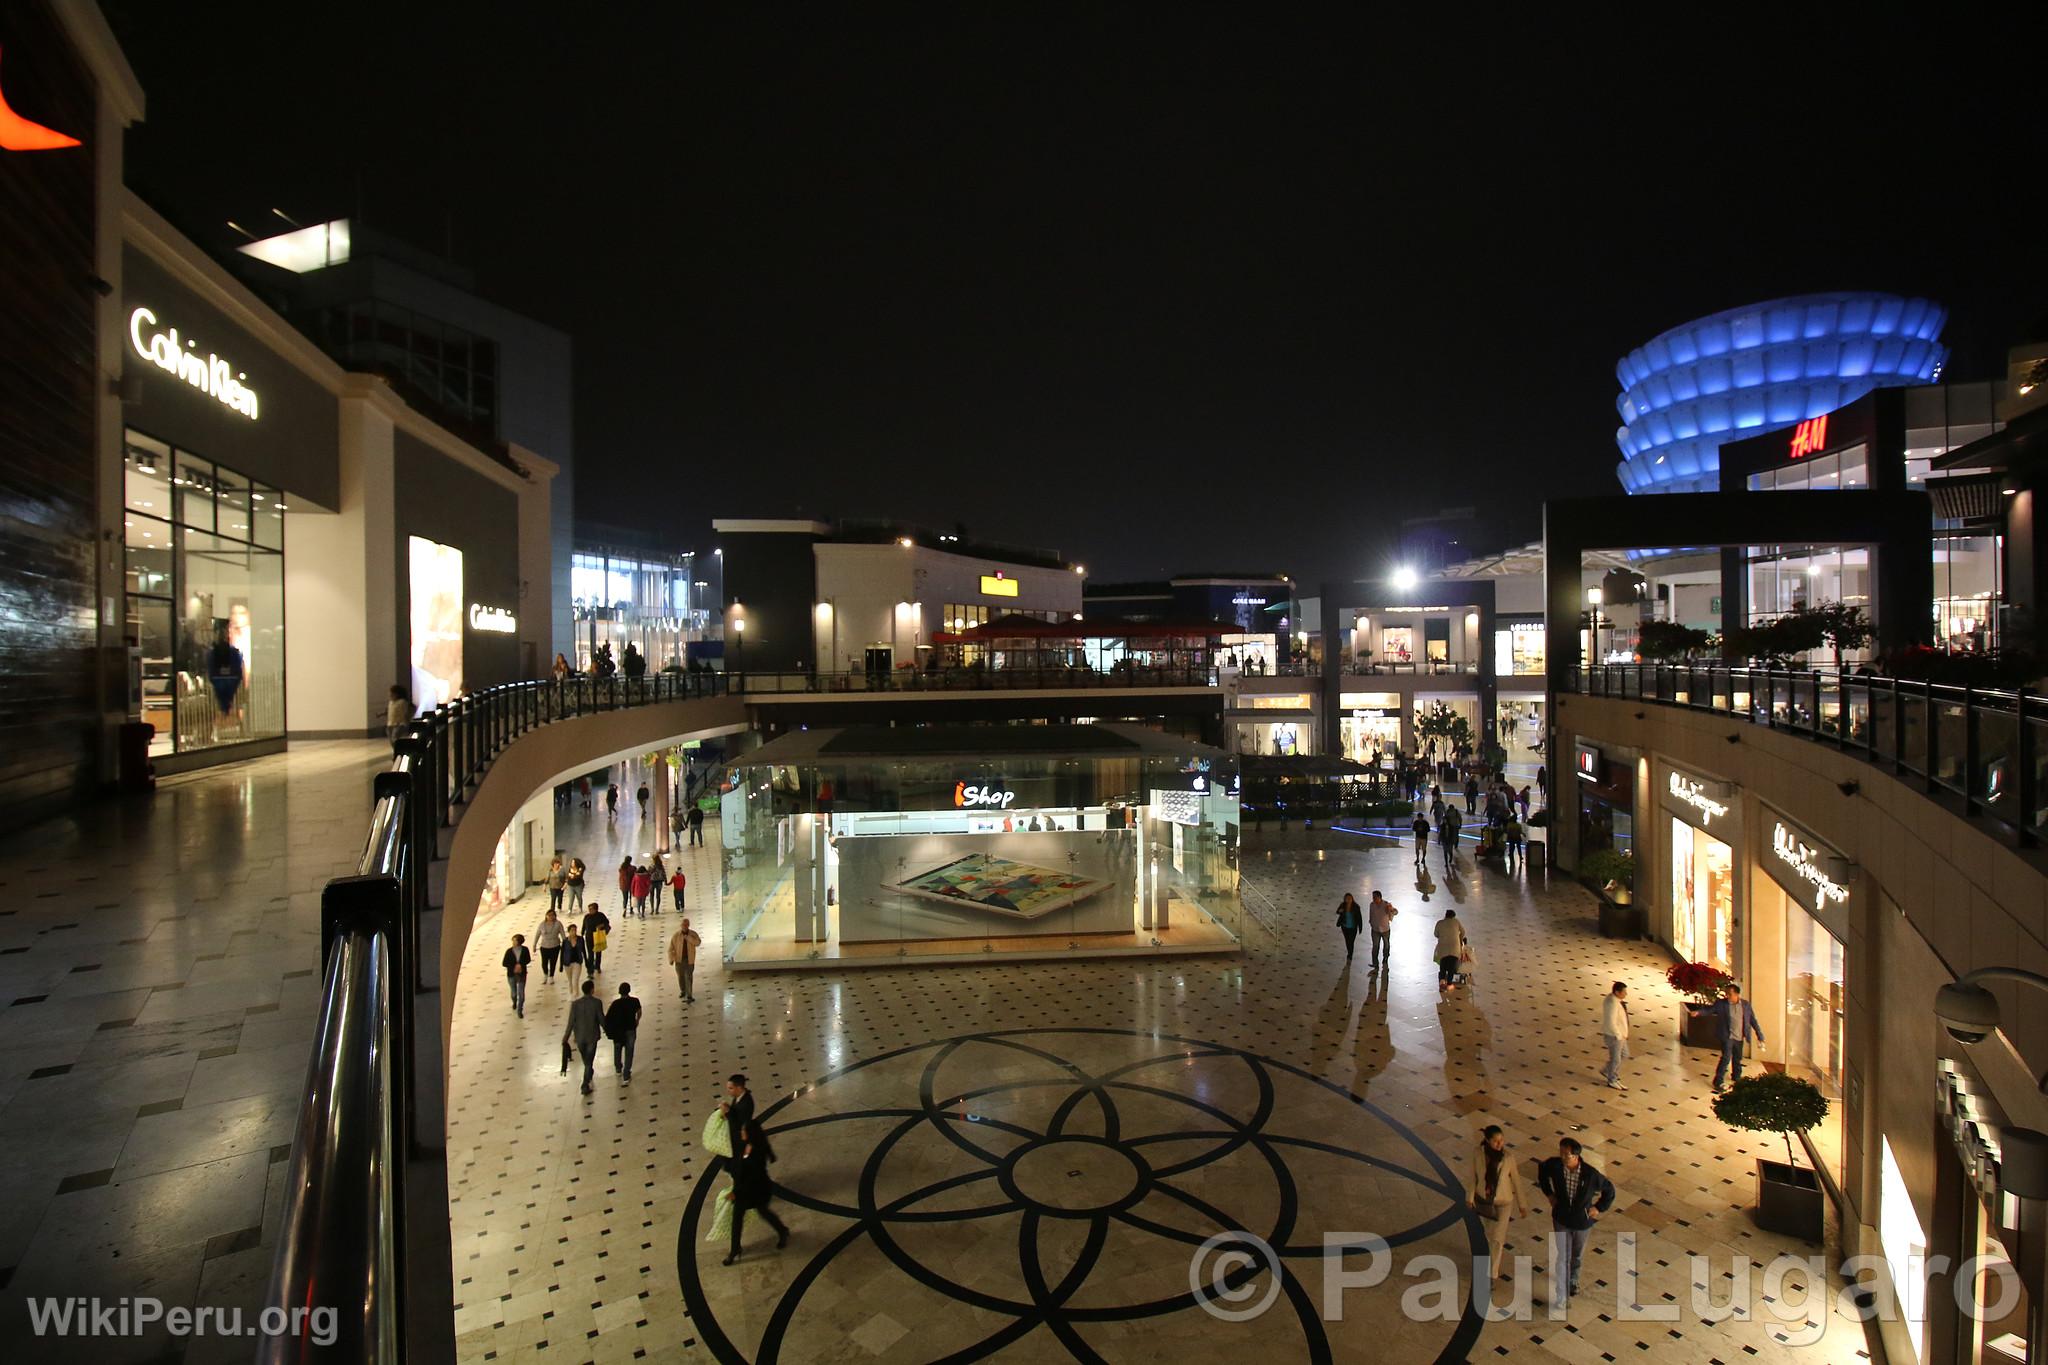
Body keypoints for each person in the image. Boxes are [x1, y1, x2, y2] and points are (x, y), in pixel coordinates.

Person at [1536, 1138, 1615, 1307]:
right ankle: (1562, 1296)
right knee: (1563, 1256)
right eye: (1561, 1153)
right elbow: (1542, 1171)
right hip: (1561, 1219)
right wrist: (1549, 1194)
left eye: (1567, 1155)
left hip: (1582, 1222)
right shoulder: (1555, 1166)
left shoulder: (1590, 1175)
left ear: (1576, 1156)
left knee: (1576, 1254)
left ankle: (1573, 1279)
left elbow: (1609, 1190)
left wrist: (1598, 1208)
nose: (1563, 1157)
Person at [722, 1117, 791, 1265]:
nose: (741, 1132)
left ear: (750, 1134)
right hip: (743, 1189)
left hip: (756, 1190)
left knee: (763, 1212)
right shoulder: (744, 1144)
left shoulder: (757, 1153)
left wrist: (736, 1192)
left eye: (743, 1131)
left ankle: (782, 1230)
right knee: (737, 1218)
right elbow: (737, 1165)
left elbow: (752, 1177)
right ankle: (735, 1249)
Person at [1470, 1125, 1529, 1281]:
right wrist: (1469, 1197)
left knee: (1497, 1238)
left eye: (1501, 1140)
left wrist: (1522, 1205)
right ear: (1487, 1140)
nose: (1499, 1144)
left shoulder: (1508, 1158)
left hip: (1504, 1202)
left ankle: (1492, 1274)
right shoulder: (1478, 1154)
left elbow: (1516, 1181)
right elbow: (1473, 1176)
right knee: (1489, 1235)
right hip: (1485, 1201)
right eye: (1496, 1141)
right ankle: (1489, 1261)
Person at [1696, 982, 1763, 1091]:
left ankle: (1737, 1077)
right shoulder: (1721, 1004)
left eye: (1730, 994)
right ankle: (1718, 1081)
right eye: (1726, 993)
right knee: (1726, 1058)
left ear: (1737, 994)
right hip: (1727, 1036)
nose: (1727, 996)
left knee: (1737, 1058)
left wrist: (1760, 1036)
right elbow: (1709, 1010)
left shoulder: (1745, 1005)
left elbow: (1753, 1020)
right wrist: (1699, 1012)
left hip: (1739, 1037)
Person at [563, 980, 606, 1095]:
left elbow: (571, 1022)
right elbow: (601, 1019)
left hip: (580, 1037)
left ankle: (588, 1075)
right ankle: (584, 1084)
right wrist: (608, 1031)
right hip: (592, 1037)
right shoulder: (597, 1003)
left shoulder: (575, 1004)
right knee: (588, 1062)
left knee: (586, 1060)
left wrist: (565, 1037)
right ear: (592, 990)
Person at [604, 982, 641, 1082]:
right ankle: (626, 1073)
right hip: (630, 1029)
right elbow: (639, 1012)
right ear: (629, 990)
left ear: (619, 992)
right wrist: (637, 1020)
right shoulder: (635, 1001)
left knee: (617, 1049)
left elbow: (608, 1018)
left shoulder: (615, 1004)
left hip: (618, 1031)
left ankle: (618, 1068)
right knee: (629, 1052)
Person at [1600, 982, 1630, 1089]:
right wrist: (1618, 1035)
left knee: (1624, 1054)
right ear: (1617, 992)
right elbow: (1611, 1022)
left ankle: (1607, 1070)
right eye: (1624, 992)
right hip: (1614, 1036)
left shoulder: (1615, 1000)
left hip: (1620, 1035)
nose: (1626, 994)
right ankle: (1612, 1079)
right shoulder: (1612, 1003)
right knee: (1616, 1059)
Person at [1434, 909, 1467, 995]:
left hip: (1443, 947)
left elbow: (1436, 934)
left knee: (1443, 966)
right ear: (1453, 916)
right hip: (1454, 947)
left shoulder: (1440, 923)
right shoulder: (1456, 921)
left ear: (1446, 915)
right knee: (1451, 967)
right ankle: (1449, 983)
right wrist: (1460, 939)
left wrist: (1442, 935)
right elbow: (1463, 932)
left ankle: (1442, 983)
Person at [669, 918, 702, 1001]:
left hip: (689, 960)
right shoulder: (676, 935)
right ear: (681, 925)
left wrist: (689, 938)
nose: (685, 926)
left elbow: (698, 943)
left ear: (688, 925)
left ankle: (689, 995)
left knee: (689, 977)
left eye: (686, 925)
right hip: (679, 960)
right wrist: (671, 958)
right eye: (683, 925)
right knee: (681, 977)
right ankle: (683, 991)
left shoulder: (693, 934)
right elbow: (671, 948)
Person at [721, 1074, 756, 1152]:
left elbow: (737, 1124)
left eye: (731, 1088)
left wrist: (727, 1112)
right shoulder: (739, 1096)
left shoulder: (746, 1104)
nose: (728, 1091)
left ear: (739, 1088)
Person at [1367, 890, 1397, 973]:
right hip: (1375, 929)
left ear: (1380, 897)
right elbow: (1371, 914)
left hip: (1385, 930)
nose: (1373, 899)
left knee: (1386, 945)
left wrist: (1391, 909)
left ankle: (1385, 957)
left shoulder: (1386, 905)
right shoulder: (1372, 905)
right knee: (1375, 946)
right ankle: (1375, 963)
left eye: (1375, 897)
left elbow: (1395, 912)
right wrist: (1371, 922)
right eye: (1373, 897)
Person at [502, 933, 531, 1017]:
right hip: (511, 974)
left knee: (521, 993)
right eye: (513, 940)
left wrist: (521, 965)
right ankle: (514, 1001)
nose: (513, 942)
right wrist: (514, 967)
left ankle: (520, 1010)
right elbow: (504, 963)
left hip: (522, 974)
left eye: (515, 941)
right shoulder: (509, 951)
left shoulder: (525, 950)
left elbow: (528, 959)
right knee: (514, 993)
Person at [535, 908, 565, 981]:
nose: (551, 917)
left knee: (553, 962)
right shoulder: (542, 924)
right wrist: (534, 944)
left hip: (555, 946)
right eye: (549, 915)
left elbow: (563, 934)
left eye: (552, 915)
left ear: (555, 916)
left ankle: (551, 976)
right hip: (544, 946)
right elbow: (537, 934)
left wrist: (565, 944)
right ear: (546, 916)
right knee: (544, 963)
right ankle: (545, 973)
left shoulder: (558, 924)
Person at [582, 903, 610, 975]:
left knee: (598, 953)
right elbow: (584, 926)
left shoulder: (600, 915)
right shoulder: (587, 916)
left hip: (598, 937)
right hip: (589, 937)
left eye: (591, 909)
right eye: (589, 909)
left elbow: (606, 922)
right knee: (590, 954)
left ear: (595, 909)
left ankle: (597, 966)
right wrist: (582, 933)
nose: (590, 911)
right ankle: (590, 969)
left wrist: (601, 925)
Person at [386, 685, 415, 751]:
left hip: (399, 724)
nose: (390, 695)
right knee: (391, 739)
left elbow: (405, 712)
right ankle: (396, 750)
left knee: (395, 738)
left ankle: (400, 749)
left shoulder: (402, 702)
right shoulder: (391, 702)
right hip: (390, 724)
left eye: (392, 693)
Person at [1335, 893, 1363, 961]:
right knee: (1347, 941)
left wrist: (1360, 928)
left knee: (1351, 941)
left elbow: (1359, 918)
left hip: (1353, 928)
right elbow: (1337, 911)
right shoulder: (1343, 905)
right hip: (1345, 927)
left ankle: (1350, 955)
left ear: (1352, 899)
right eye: (1347, 899)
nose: (1348, 900)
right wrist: (1340, 911)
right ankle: (1349, 953)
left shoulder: (1356, 907)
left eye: (1350, 899)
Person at [562, 924, 587, 995]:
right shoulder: (565, 941)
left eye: (575, 930)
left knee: (575, 980)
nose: (574, 932)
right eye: (572, 930)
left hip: (577, 962)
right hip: (567, 963)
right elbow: (562, 953)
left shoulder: (580, 939)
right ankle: (571, 993)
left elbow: (583, 950)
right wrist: (561, 964)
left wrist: (586, 960)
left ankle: (575, 995)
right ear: (569, 931)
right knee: (570, 981)